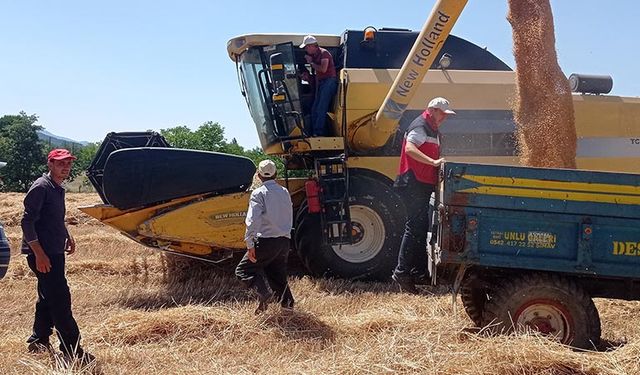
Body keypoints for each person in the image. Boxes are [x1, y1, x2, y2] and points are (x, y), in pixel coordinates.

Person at [21, 149, 94, 365]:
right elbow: (26, 222)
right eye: (61, 163)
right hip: (43, 254)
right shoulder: (41, 187)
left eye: (69, 163)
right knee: (61, 299)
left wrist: (67, 235)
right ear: (50, 163)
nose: (66, 167)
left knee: (48, 296)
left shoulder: (56, 187)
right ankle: (72, 349)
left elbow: (53, 218)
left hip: (54, 250)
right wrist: (39, 254)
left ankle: (38, 339)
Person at [391, 97, 456, 293]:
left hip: (422, 183)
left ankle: (416, 271)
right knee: (414, 228)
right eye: (442, 113)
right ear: (432, 110)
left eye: (446, 114)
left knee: (420, 228)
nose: (444, 117)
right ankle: (401, 273)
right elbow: (410, 149)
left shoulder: (432, 129)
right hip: (413, 183)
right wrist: (434, 163)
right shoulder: (420, 126)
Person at [235, 160, 295, 314]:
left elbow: (252, 220)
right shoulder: (285, 192)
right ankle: (287, 306)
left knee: (243, 271)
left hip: (266, 241)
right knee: (277, 275)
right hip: (284, 241)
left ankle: (263, 293)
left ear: (259, 176)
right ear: (276, 174)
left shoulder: (258, 193)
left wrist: (250, 244)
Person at [300, 35, 338, 137]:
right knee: (315, 108)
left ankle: (319, 132)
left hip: (329, 81)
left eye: (306, 47)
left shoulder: (324, 53)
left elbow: (323, 69)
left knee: (321, 106)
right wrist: (308, 77)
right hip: (322, 82)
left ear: (312, 46)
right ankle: (313, 132)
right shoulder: (316, 56)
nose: (306, 49)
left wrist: (310, 62)